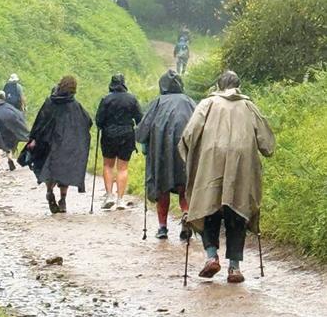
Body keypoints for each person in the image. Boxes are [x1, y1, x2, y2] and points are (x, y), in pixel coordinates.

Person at [179, 70, 275, 283]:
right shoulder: (248, 106)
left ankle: (212, 256)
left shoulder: (207, 104)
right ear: (238, 86)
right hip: (241, 165)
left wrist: (190, 156)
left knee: (208, 207)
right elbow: (267, 144)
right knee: (237, 210)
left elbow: (189, 135)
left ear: (218, 86)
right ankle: (234, 267)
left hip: (211, 162)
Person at [136, 70, 195, 239]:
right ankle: (186, 213)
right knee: (184, 186)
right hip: (185, 152)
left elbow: (142, 130)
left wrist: (143, 142)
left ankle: (162, 227)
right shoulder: (190, 102)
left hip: (161, 153)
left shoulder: (157, 103)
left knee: (162, 188)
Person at [27, 76, 92, 214]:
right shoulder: (75, 106)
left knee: (49, 169)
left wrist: (33, 138)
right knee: (65, 170)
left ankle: (49, 191)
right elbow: (87, 121)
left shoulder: (50, 103)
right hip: (67, 144)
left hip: (48, 143)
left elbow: (39, 122)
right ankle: (63, 199)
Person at [96, 74, 142, 210]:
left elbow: (99, 120)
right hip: (127, 135)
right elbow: (140, 118)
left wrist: (103, 126)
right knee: (123, 168)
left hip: (109, 135)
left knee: (108, 166)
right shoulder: (132, 99)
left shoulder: (106, 99)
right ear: (123, 83)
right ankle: (120, 200)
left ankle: (109, 196)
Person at [0, 90, 29, 173]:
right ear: (4, 98)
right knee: (8, 146)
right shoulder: (7, 107)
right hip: (4, 130)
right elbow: (15, 116)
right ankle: (10, 159)